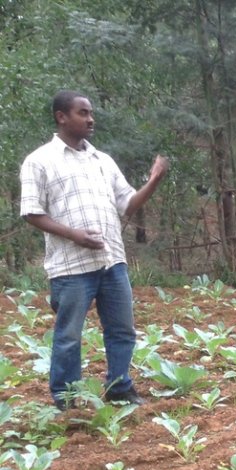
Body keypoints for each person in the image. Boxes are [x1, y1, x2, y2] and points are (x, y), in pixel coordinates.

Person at [20, 90, 169, 409]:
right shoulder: (40, 161)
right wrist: (75, 235)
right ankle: (68, 400)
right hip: (71, 267)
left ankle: (119, 387)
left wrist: (154, 180)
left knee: (122, 330)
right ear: (62, 117)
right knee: (69, 336)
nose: (91, 119)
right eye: (83, 113)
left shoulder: (103, 160)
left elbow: (127, 204)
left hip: (112, 261)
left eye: (90, 113)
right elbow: (32, 212)